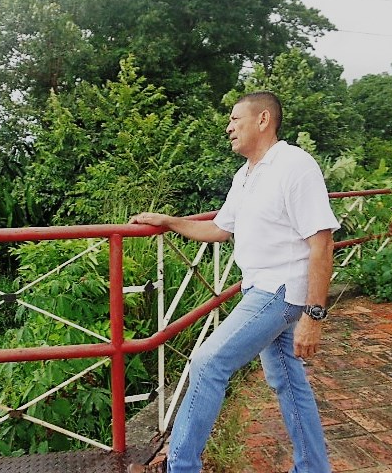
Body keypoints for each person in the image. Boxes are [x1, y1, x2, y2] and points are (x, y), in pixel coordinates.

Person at [127, 91, 340, 473]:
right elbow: (219, 229)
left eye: (235, 119)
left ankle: (180, 466)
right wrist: (169, 221)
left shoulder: (294, 165)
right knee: (288, 382)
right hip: (258, 288)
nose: (228, 127)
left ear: (263, 119)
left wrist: (314, 315)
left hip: (280, 291)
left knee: (208, 362)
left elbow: (322, 242)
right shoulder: (245, 175)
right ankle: (313, 467)